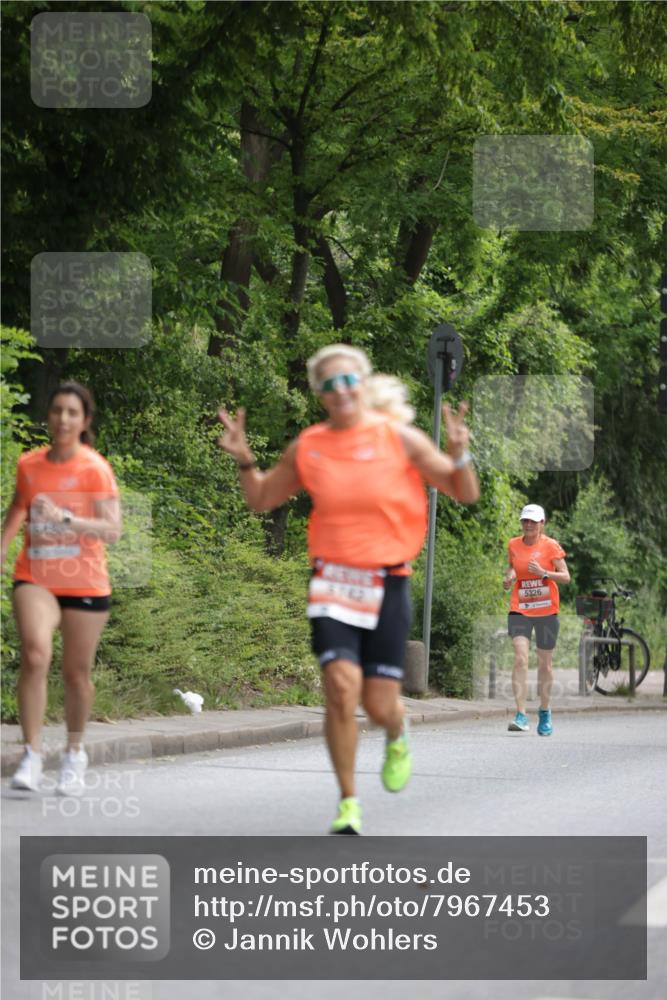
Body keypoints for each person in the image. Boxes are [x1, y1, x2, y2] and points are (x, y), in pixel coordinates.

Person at [217, 345, 479, 834]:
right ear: (319, 394)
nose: (340, 392)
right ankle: (348, 803)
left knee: (379, 706)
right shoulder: (310, 446)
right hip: (333, 582)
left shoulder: (400, 439)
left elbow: (463, 491)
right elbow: (262, 499)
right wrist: (245, 460)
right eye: (329, 385)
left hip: (387, 582)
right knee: (339, 691)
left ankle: (396, 731)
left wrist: (460, 452)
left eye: (347, 381)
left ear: (362, 383)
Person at [1, 382, 121, 795]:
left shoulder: (95, 469)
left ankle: (74, 754)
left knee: (75, 673)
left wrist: (66, 519)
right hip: (36, 574)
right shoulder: (30, 464)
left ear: (84, 421)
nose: (63, 419)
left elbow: (113, 529)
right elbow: (19, 505)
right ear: (49, 417)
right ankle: (32, 754)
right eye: (57, 411)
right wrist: (2, 548)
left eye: (72, 412)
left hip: (85, 578)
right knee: (35, 654)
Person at [503, 504, 570, 737]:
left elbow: (566, 577)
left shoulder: (551, 546)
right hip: (520, 607)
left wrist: (544, 573)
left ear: (542, 523)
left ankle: (544, 710)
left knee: (545, 665)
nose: (528, 525)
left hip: (546, 611)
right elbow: (513, 567)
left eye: (533, 521)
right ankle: (521, 715)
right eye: (525, 521)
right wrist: (510, 576)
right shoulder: (513, 544)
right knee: (520, 658)